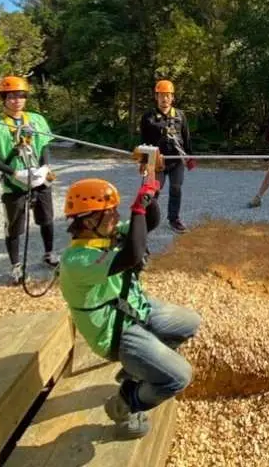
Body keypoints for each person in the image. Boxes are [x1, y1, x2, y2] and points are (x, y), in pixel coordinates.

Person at [59, 171, 201, 440]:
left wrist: (151, 193)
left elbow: (148, 222)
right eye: (109, 212)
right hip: (116, 334)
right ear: (90, 220)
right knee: (178, 377)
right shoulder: (77, 260)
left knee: (190, 322)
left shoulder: (103, 236)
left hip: (136, 310)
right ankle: (125, 404)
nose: (116, 216)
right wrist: (137, 206)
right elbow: (133, 252)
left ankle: (137, 369)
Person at [0, 75, 58, 285]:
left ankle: (49, 253)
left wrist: (44, 167)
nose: (17, 101)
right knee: (14, 226)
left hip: (38, 178)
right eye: (12, 97)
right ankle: (16, 266)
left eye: (21, 96)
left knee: (47, 218)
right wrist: (13, 173)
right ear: (3, 99)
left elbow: (43, 146)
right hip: (14, 183)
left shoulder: (36, 120)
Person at [139, 79, 197, 233]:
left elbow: (186, 137)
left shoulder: (180, 115)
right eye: (161, 95)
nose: (164, 99)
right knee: (153, 191)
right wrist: (144, 163)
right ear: (156, 97)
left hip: (176, 160)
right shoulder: (148, 117)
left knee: (176, 189)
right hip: (156, 161)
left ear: (172, 97)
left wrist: (190, 157)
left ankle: (174, 219)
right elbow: (143, 141)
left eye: (168, 95)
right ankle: (146, 220)